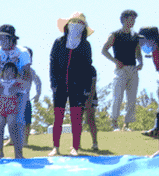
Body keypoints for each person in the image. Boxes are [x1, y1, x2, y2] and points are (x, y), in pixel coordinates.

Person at [49, 12, 95, 157]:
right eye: (74, 22)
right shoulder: (59, 42)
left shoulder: (85, 45)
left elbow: (88, 67)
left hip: (78, 86)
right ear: (68, 25)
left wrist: (86, 89)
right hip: (60, 85)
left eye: (80, 23)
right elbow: (53, 63)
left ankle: (75, 146)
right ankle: (55, 147)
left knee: (76, 117)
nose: (76, 25)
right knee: (58, 117)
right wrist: (54, 82)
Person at [0, 25, 32, 159]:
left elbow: (26, 73)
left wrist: (17, 88)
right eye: (0, 37)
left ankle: (19, 154)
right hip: (0, 95)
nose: (2, 40)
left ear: (12, 38)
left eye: (5, 37)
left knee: (17, 123)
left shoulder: (22, 52)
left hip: (18, 95)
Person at [102, 10, 144, 131]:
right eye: (131, 19)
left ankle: (127, 124)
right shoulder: (115, 35)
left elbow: (138, 53)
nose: (133, 22)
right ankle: (114, 123)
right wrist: (115, 61)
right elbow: (104, 50)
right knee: (117, 96)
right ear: (124, 20)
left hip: (133, 69)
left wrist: (141, 62)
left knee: (132, 98)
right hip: (120, 69)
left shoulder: (135, 36)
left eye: (134, 20)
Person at [138, 27, 159, 157]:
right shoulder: (155, 52)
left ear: (151, 39)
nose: (140, 44)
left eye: (142, 40)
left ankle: (157, 128)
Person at [0, 63, 25, 159]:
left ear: (15, 73)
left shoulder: (16, 81)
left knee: (12, 127)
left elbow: (25, 85)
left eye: (12, 71)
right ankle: (0, 152)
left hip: (11, 109)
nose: (9, 73)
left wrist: (16, 85)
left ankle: (17, 152)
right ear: (3, 72)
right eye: (7, 71)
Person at [84, 66, 99, 151]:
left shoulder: (92, 69)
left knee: (91, 120)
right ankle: (77, 144)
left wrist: (90, 99)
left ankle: (95, 143)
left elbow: (93, 85)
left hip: (91, 96)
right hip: (79, 96)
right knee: (77, 120)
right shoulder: (74, 67)